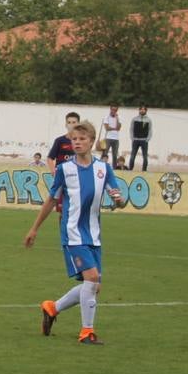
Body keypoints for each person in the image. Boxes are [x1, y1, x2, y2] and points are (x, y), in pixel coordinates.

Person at [23, 120, 124, 346]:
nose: (77, 143)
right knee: (91, 278)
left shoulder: (103, 169)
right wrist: (34, 228)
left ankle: (52, 308)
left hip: (94, 235)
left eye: (82, 139)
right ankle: (87, 332)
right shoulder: (64, 169)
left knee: (94, 287)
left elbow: (118, 198)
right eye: (74, 139)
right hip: (73, 234)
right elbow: (51, 200)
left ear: (91, 141)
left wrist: (120, 201)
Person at [129, 105, 152, 172]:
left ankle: (144, 170)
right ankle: (130, 169)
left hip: (144, 140)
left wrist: (148, 139)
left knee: (145, 156)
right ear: (139, 110)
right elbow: (131, 129)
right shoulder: (134, 119)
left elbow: (150, 130)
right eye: (141, 109)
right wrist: (132, 138)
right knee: (133, 155)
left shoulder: (148, 120)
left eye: (144, 109)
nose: (142, 110)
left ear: (146, 111)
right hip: (135, 140)